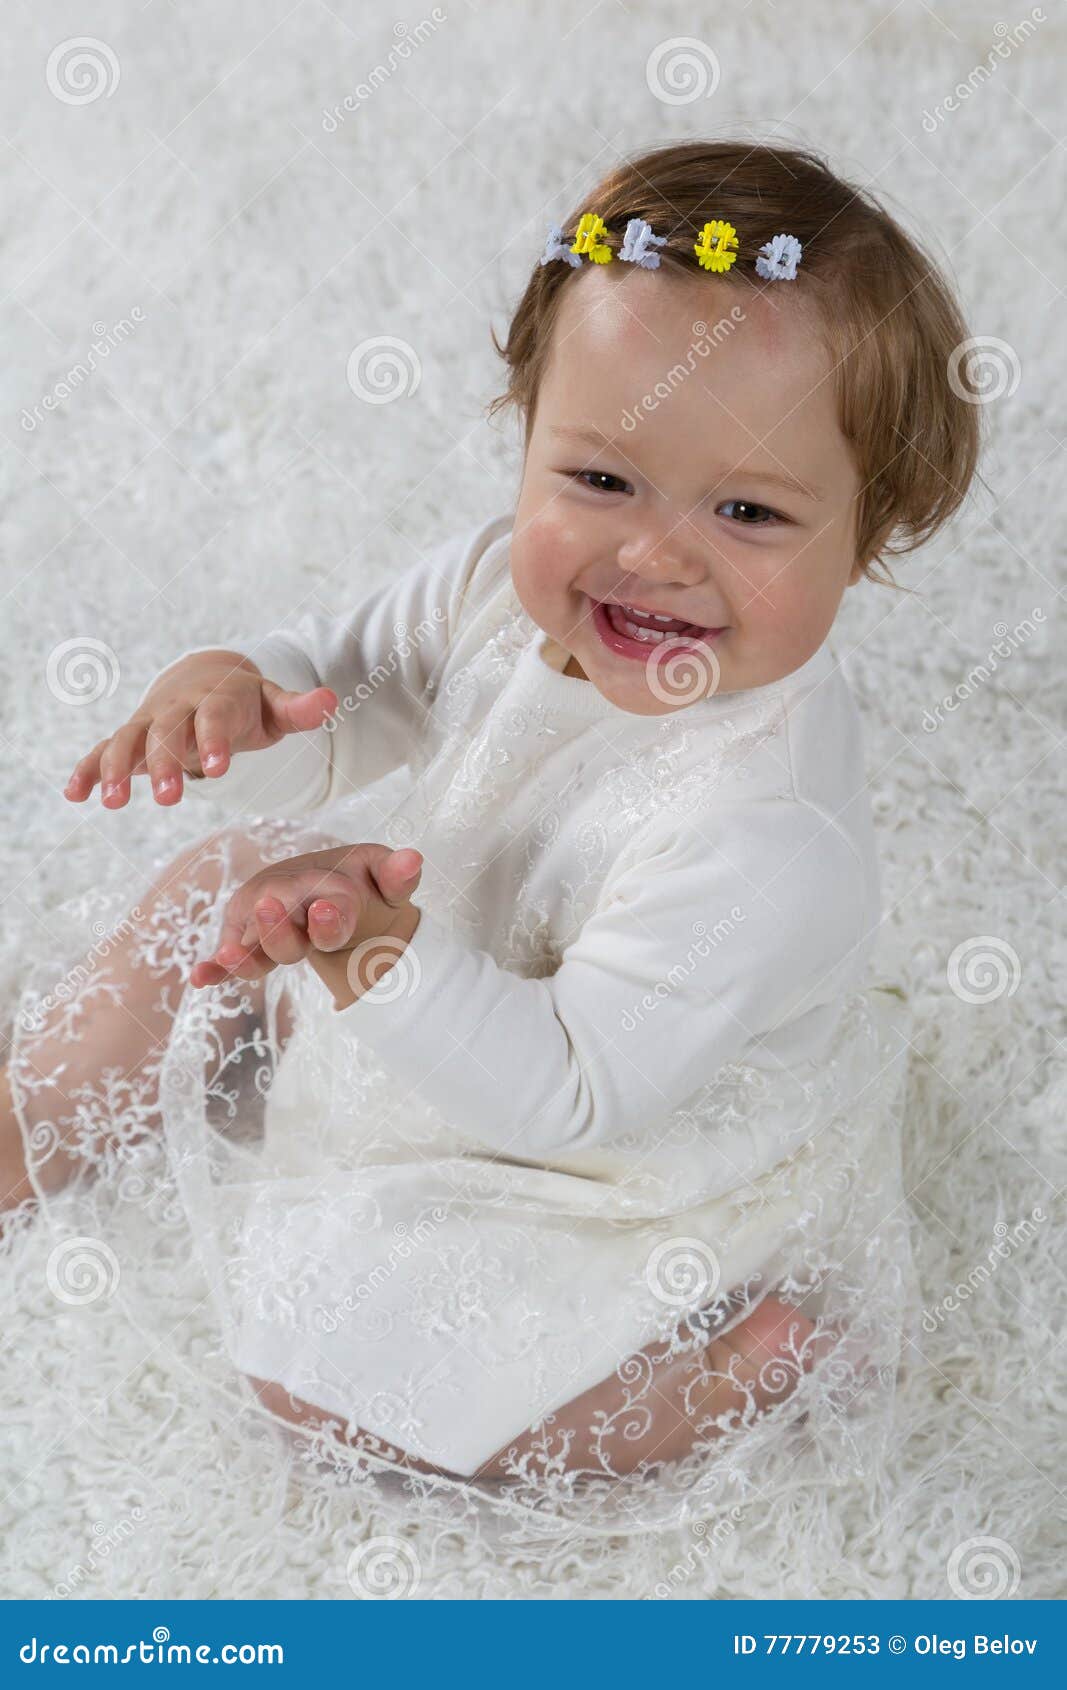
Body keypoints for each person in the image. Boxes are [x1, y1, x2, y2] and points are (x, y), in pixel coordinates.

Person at [2, 140, 980, 1524]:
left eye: (750, 510)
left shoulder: (768, 832)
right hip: (430, 957)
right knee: (217, 878)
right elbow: (351, 686)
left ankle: (714, 1378)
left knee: (328, 1373)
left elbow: (573, 1089)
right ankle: (32, 1115)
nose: (655, 555)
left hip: (603, 1151)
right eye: (602, 480)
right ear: (528, 433)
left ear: (868, 533)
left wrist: (375, 955)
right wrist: (243, 699)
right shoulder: (491, 584)